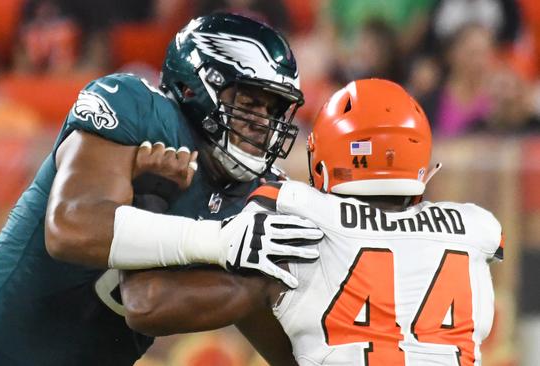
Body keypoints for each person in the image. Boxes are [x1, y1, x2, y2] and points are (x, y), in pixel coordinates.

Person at [0, 13, 324, 366]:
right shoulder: (137, 109)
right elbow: (70, 228)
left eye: (273, 109)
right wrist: (222, 242)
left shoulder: (254, 193)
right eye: (249, 102)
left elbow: (157, 305)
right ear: (197, 87)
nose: (262, 123)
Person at [121, 79, 503, 365]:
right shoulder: (476, 228)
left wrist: (151, 196)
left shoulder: (297, 212)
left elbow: (145, 305)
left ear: (324, 156)